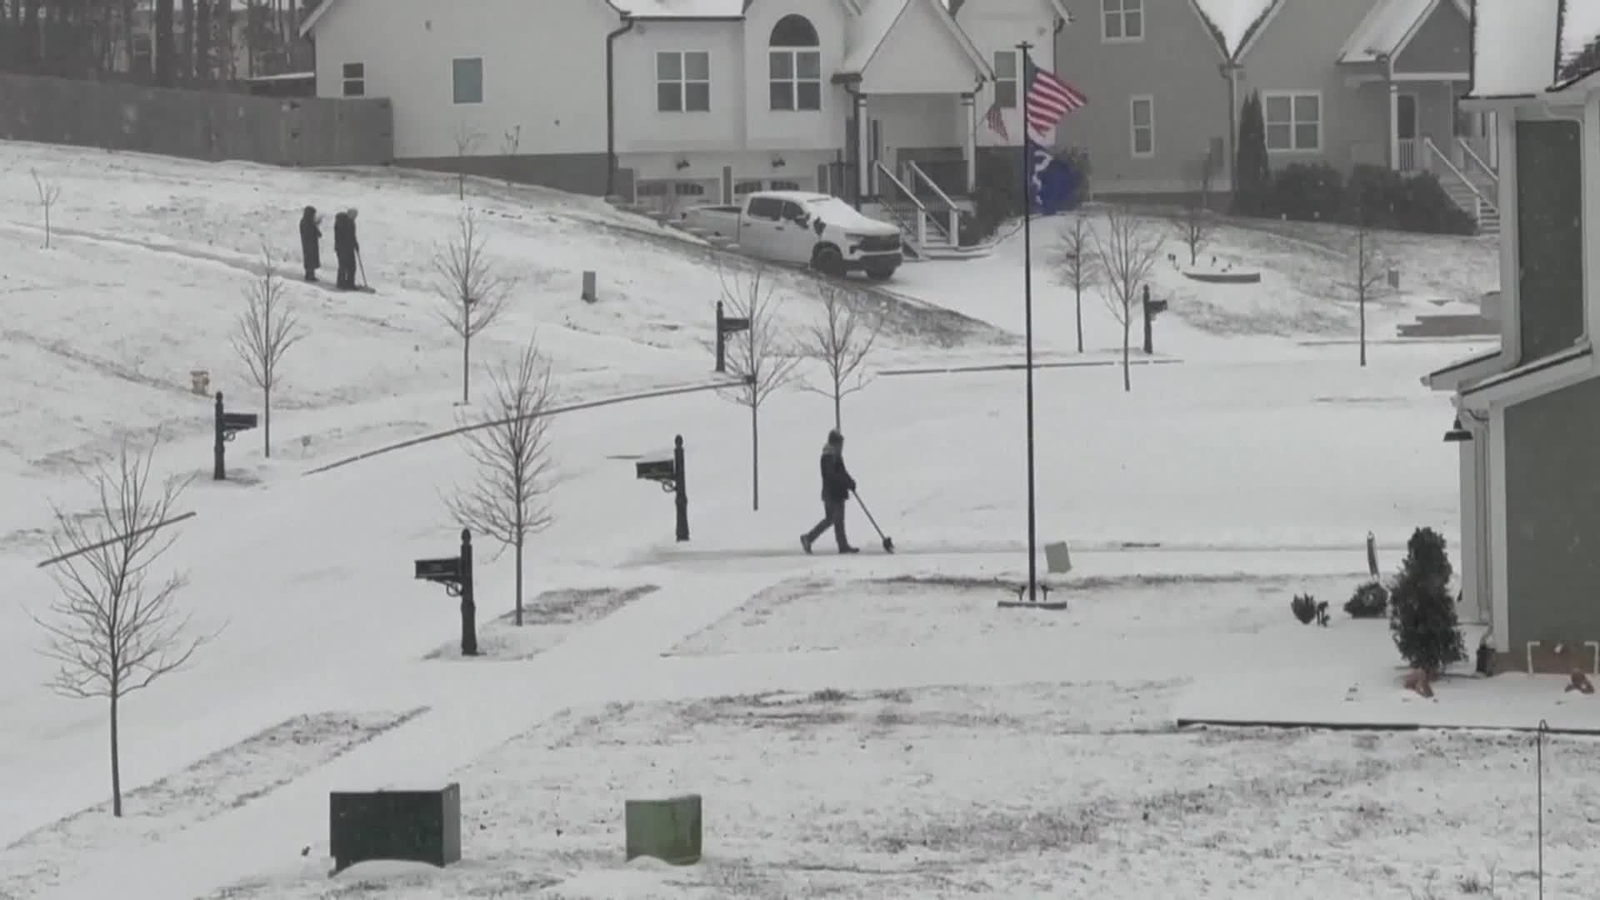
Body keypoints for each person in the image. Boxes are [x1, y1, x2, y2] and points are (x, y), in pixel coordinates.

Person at [801, 429, 858, 554]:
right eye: (840, 444)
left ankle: (842, 545)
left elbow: (842, 472)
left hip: (837, 492)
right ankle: (808, 538)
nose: (842, 447)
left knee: (837, 520)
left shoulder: (836, 456)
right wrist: (845, 482)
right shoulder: (828, 457)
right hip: (831, 493)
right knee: (833, 518)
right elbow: (831, 475)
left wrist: (850, 482)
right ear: (835, 443)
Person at [332, 208, 360, 289]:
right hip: (342, 248)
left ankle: (350, 283)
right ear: (350, 214)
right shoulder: (341, 221)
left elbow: (352, 235)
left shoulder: (351, 222)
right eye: (354, 215)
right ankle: (341, 283)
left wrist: (355, 245)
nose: (355, 217)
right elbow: (342, 235)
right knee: (343, 266)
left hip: (349, 248)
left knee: (352, 267)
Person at [299, 206, 322, 282]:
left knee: (311, 259)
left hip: (310, 243)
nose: (314, 216)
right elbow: (309, 232)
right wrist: (315, 227)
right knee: (310, 259)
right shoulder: (306, 222)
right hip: (309, 243)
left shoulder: (306, 221)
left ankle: (310, 274)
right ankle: (309, 275)